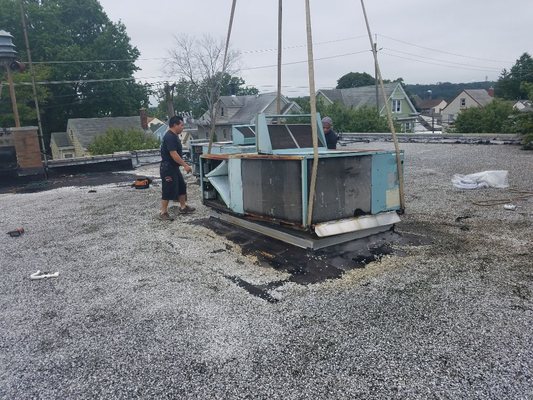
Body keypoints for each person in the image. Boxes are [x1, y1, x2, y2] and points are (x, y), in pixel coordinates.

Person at [159, 115, 195, 220]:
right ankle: (163, 212)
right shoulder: (169, 137)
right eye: (181, 125)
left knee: (181, 186)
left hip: (174, 167)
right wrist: (185, 165)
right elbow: (174, 154)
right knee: (168, 188)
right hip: (167, 168)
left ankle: (183, 207)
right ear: (175, 125)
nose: (183, 127)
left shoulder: (174, 136)